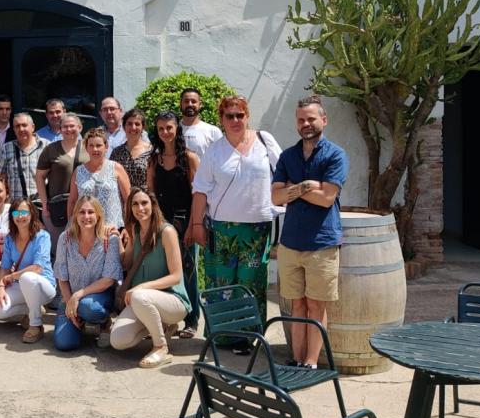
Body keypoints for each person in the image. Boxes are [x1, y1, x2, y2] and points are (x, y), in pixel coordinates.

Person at [189, 96, 282, 349]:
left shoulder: (265, 141)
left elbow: (284, 174)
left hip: (256, 229)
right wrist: (197, 226)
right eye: (229, 115)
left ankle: (248, 337)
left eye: (240, 115)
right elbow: (200, 191)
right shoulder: (215, 150)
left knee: (250, 282)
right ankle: (222, 336)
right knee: (222, 283)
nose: (235, 120)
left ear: (247, 116)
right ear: (221, 119)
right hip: (221, 229)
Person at [271, 96, 348, 368]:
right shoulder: (287, 156)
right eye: (301, 119)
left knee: (316, 306)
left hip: (321, 243)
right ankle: (296, 359)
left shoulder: (336, 155)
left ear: (323, 120)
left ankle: (311, 362)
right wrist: (307, 185)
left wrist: (293, 189)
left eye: (311, 119)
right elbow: (276, 197)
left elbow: (327, 198)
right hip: (290, 243)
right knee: (297, 305)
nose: (306, 124)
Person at [110, 189, 190, 367]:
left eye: (144, 203)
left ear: (153, 205)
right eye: (135, 204)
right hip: (142, 301)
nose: (140, 208)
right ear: (130, 208)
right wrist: (118, 239)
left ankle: (160, 347)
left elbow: (176, 277)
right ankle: (161, 327)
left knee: (139, 296)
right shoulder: (135, 230)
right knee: (118, 340)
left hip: (173, 300)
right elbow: (126, 263)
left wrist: (142, 287)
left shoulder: (167, 232)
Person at [146, 110, 201, 339]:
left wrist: (193, 225)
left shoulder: (189, 158)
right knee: (163, 270)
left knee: (188, 271)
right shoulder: (154, 160)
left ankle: (192, 319)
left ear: (177, 128)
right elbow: (150, 194)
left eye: (169, 127)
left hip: (185, 221)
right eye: (161, 128)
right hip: (161, 222)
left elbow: (197, 195)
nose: (165, 132)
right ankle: (168, 321)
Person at [53, 196, 124, 351]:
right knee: (64, 343)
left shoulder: (109, 239)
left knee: (89, 307)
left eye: (91, 212)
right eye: (82, 212)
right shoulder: (65, 239)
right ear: (75, 215)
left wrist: (77, 296)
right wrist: (70, 304)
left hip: (99, 297)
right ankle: (81, 322)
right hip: (70, 296)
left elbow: (109, 280)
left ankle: (104, 323)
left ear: (98, 215)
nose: (86, 216)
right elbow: (62, 277)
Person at [0, 198, 55, 344]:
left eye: (24, 212)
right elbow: (4, 267)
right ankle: (32, 309)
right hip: (21, 284)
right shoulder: (10, 239)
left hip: (44, 286)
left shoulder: (42, 236)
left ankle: (35, 325)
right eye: (16, 212)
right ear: (11, 215)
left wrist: (13, 276)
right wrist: (1, 288)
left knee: (28, 277)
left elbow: (37, 268)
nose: (20, 216)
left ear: (31, 214)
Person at [36, 113, 89, 247]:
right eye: (65, 127)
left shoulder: (88, 148)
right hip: (57, 208)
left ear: (80, 127)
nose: (68, 129)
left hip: (83, 206)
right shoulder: (51, 149)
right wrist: (44, 204)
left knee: (82, 246)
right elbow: (40, 177)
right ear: (60, 129)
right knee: (59, 247)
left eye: (72, 126)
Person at [69, 127, 130, 229]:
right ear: (86, 147)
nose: (95, 149)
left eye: (98, 145)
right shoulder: (78, 171)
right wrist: (71, 225)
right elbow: (72, 201)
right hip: (86, 229)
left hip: (111, 229)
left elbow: (128, 199)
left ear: (106, 147)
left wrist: (128, 227)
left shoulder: (116, 168)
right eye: (91, 145)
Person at [0, 112, 45, 205]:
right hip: (16, 206)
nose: (21, 129)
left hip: (41, 205)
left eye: (24, 125)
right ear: (14, 129)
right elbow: (0, 176)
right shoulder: (7, 148)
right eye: (17, 126)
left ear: (33, 127)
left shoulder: (46, 146)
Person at [109, 107, 153, 190]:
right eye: (129, 124)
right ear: (124, 127)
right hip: (121, 197)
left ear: (143, 127)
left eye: (137, 124)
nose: (133, 127)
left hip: (144, 197)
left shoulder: (151, 152)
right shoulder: (116, 152)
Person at [179, 87, 222, 158]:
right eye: (186, 101)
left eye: (193, 101)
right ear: (180, 104)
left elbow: (220, 158)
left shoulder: (213, 131)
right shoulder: (171, 130)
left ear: (200, 104)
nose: (190, 104)